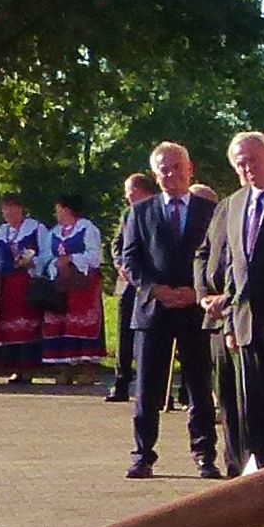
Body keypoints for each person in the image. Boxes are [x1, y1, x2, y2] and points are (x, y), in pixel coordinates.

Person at [116, 141, 217, 476]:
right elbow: (129, 259)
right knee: (148, 388)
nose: (171, 174)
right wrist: (154, 289)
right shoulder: (139, 213)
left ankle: (205, 455)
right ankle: (143, 455)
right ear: (155, 174)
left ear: (190, 170)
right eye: (164, 169)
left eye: (177, 167)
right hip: (153, 310)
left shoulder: (210, 212)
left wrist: (196, 291)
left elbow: (219, 257)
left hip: (194, 308)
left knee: (200, 386)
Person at [197, 130, 264, 473]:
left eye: (252, 159)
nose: (247, 168)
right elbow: (232, 264)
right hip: (245, 327)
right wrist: (226, 314)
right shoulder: (234, 203)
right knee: (255, 417)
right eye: (240, 163)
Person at [104, 169, 159, 403]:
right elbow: (117, 244)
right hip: (127, 283)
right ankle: (121, 382)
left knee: (151, 336)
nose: (126, 197)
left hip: (151, 283)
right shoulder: (128, 215)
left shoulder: (159, 211)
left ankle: (152, 388)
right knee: (124, 333)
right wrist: (120, 265)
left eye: (129, 192)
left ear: (140, 191)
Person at [0, 193, 47, 385]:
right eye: (5, 209)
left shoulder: (35, 228)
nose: (9, 212)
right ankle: (15, 368)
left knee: (29, 325)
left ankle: (29, 368)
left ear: (21, 209)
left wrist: (31, 262)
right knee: (10, 327)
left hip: (28, 282)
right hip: (8, 284)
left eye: (13, 208)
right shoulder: (0, 233)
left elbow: (46, 253)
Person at [40, 195, 105, 379]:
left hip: (82, 284)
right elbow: (45, 257)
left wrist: (71, 259)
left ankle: (87, 368)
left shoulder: (87, 228)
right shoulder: (53, 233)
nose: (56, 213)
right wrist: (51, 264)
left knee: (81, 322)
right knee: (60, 322)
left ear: (67, 209)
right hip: (60, 284)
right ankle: (65, 368)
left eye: (58, 209)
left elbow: (94, 256)